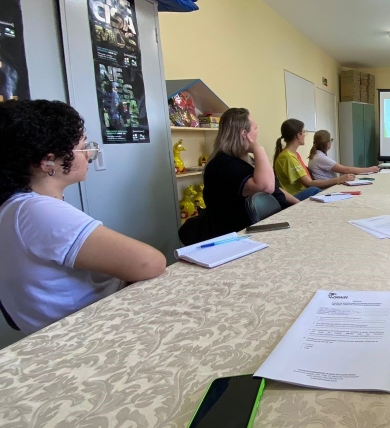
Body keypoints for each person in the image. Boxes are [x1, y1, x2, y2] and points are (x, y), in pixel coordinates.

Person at [0, 99, 165, 334]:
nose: (89, 154)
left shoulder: (13, 207)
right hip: (88, 332)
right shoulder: (38, 212)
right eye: (82, 146)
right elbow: (150, 262)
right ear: (48, 162)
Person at [202, 108, 296, 239]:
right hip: (245, 235)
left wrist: (298, 203)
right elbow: (266, 187)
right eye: (255, 128)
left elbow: (275, 187)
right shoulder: (224, 165)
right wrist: (258, 148)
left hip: (272, 220)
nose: (257, 132)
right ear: (244, 134)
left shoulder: (244, 159)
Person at [274, 119, 354, 199]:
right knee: (315, 190)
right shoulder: (287, 157)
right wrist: (338, 180)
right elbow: (308, 183)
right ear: (299, 135)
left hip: (301, 192)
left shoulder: (293, 154)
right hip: (295, 196)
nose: (305, 135)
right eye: (304, 132)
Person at [307, 130, 379, 179]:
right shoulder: (320, 158)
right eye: (330, 140)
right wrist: (370, 169)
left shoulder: (316, 156)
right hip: (328, 189)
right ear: (327, 143)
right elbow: (346, 170)